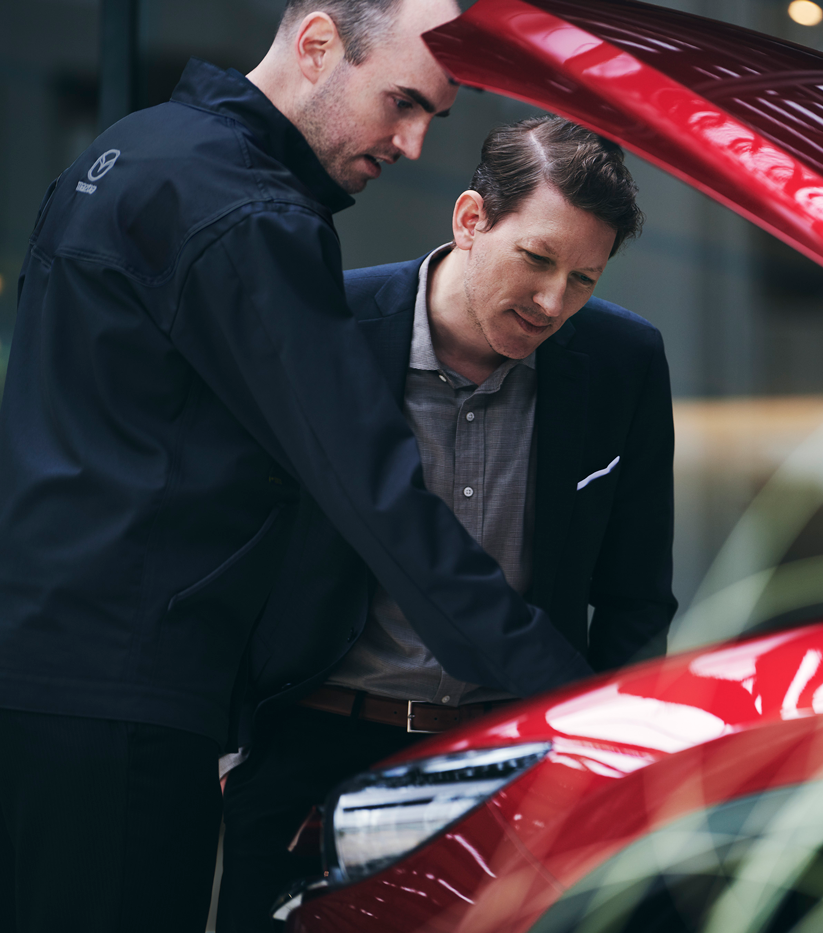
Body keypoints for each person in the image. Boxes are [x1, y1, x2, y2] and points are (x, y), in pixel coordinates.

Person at [0, 2, 598, 930]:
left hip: (43, 674)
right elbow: (374, 491)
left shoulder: (128, 152)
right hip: (125, 693)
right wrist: (579, 698)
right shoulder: (249, 216)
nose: (409, 143)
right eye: (401, 101)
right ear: (317, 44)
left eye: (433, 115)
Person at [216, 115, 676, 929]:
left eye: (583, 280)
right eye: (537, 259)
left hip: (514, 761)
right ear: (470, 219)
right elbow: (229, 537)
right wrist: (229, 744)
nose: (551, 302)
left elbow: (637, 592)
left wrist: (604, 760)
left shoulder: (623, 363)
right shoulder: (330, 325)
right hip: (313, 751)